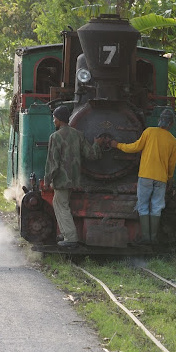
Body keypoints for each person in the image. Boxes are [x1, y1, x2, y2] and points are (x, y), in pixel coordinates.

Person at [110, 108, 176, 244]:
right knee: (157, 206)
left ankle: (146, 237)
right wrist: (169, 177)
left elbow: (134, 147)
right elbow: (172, 164)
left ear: (160, 121)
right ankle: (153, 237)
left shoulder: (149, 132)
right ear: (171, 124)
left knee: (143, 205)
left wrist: (118, 145)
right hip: (161, 179)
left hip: (145, 176)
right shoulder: (172, 141)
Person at [43, 105, 105, 248]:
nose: (53, 121)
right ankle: (65, 233)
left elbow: (53, 162)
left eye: (54, 118)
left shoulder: (55, 137)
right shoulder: (78, 134)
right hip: (75, 178)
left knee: (61, 205)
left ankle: (70, 238)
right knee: (61, 203)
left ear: (59, 120)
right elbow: (91, 155)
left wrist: (47, 179)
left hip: (61, 179)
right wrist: (96, 145)